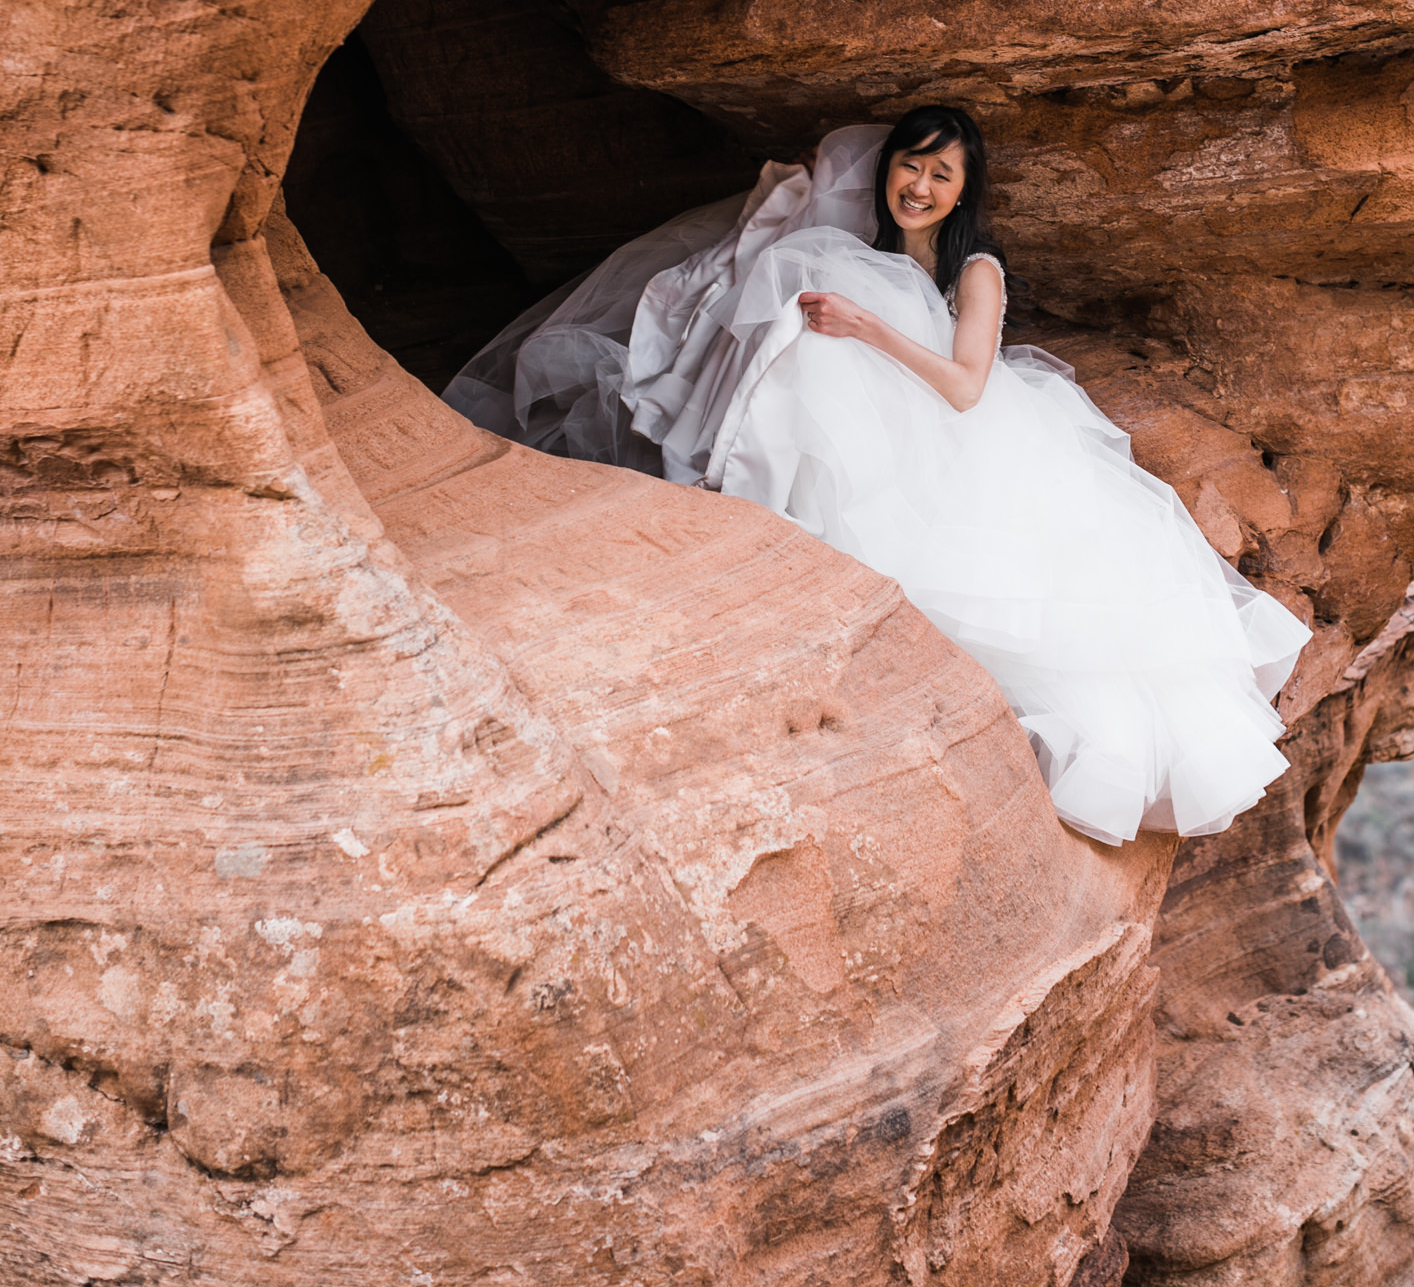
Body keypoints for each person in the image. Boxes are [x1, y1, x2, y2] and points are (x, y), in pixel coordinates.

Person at [445, 108, 1303, 846]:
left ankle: (782, 517)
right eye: (908, 164)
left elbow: (967, 388)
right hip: (889, 423)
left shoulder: (975, 270)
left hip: (962, 439)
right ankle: (750, 493)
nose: (919, 186)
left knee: (1042, 634)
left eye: (940, 173)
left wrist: (866, 330)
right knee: (809, 317)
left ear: (963, 191)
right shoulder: (857, 252)